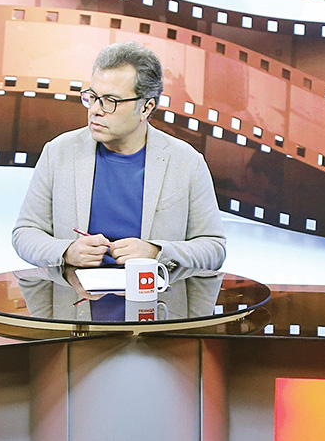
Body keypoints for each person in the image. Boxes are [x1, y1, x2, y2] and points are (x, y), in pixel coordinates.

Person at [12, 42, 226, 271]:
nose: (95, 110)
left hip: (155, 293)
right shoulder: (58, 152)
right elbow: (25, 233)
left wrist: (156, 252)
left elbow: (213, 249)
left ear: (146, 108)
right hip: (77, 292)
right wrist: (66, 252)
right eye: (92, 97)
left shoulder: (187, 162)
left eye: (110, 101)